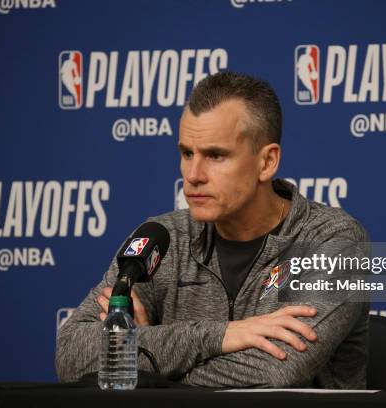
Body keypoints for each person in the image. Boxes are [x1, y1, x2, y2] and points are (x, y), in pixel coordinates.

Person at [56, 72, 370, 388]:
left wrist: (143, 356)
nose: (193, 175)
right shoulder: (162, 240)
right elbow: (70, 356)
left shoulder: (334, 241)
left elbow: (274, 374)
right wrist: (220, 336)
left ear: (267, 162)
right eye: (186, 153)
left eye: (215, 155)